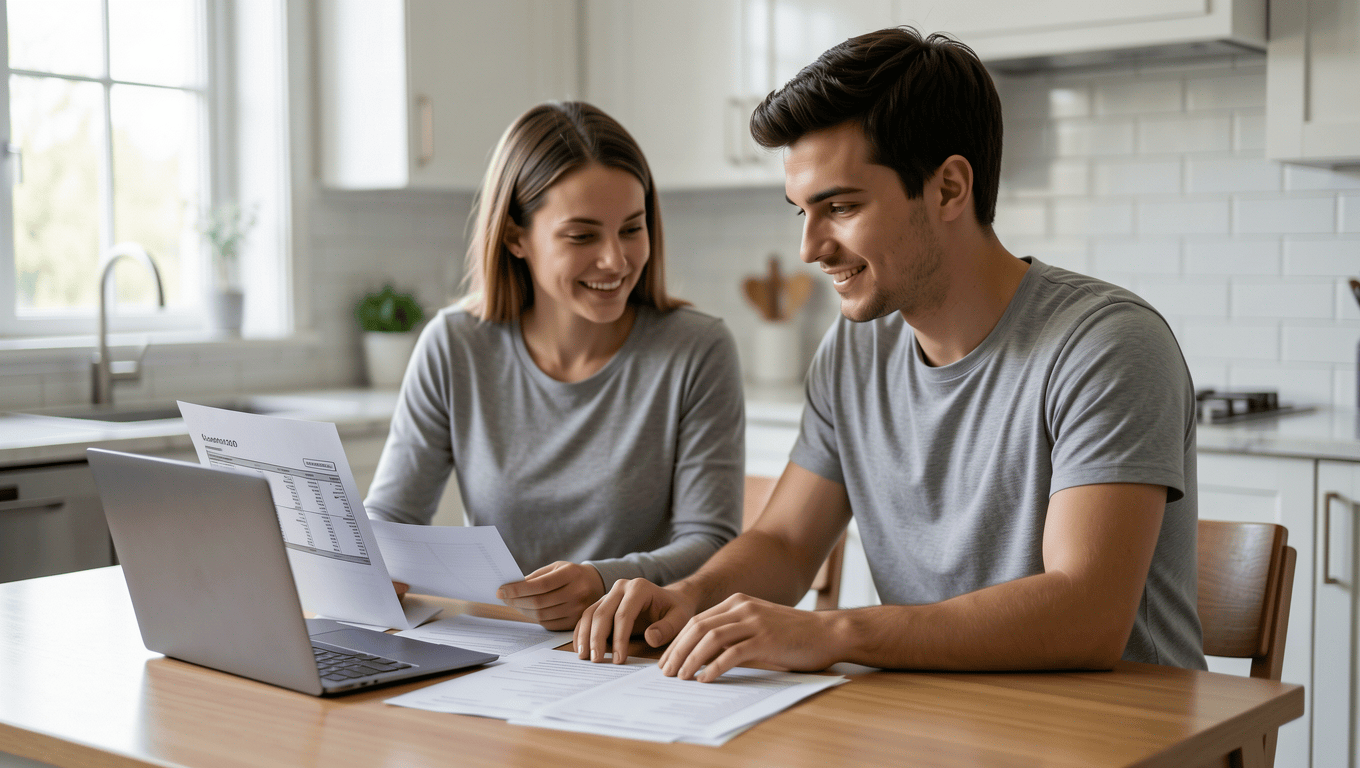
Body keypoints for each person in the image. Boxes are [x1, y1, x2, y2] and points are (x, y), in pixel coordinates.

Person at [575, 28, 1206, 680]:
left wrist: (833, 632)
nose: (810, 248)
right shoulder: (854, 351)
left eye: (840, 206)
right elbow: (788, 544)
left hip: (1121, 738)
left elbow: (1086, 613)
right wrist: (687, 601)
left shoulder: (1106, 347)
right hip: (940, 724)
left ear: (949, 188)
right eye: (802, 213)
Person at [364, 102, 744, 631]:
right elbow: (390, 521)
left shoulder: (697, 350)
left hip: (635, 650)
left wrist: (602, 580)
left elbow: (713, 546)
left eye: (631, 229)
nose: (615, 260)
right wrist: (366, 564)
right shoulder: (454, 345)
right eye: (582, 235)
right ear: (516, 237)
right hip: (496, 651)